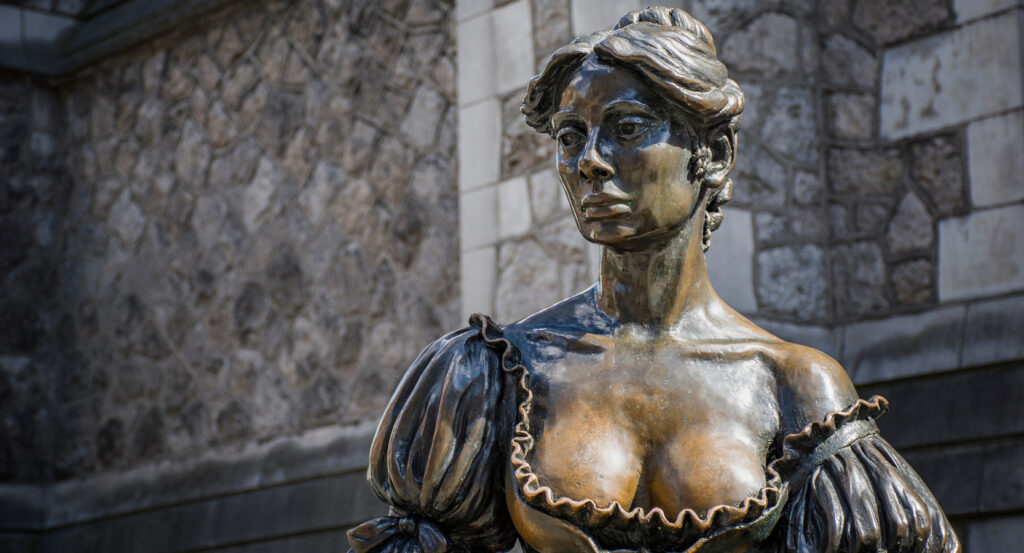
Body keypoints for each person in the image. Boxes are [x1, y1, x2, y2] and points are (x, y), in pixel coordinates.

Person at [347, 7, 959, 553]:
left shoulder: (795, 387)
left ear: (714, 155)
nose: (589, 160)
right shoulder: (497, 373)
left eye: (627, 128)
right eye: (570, 136)